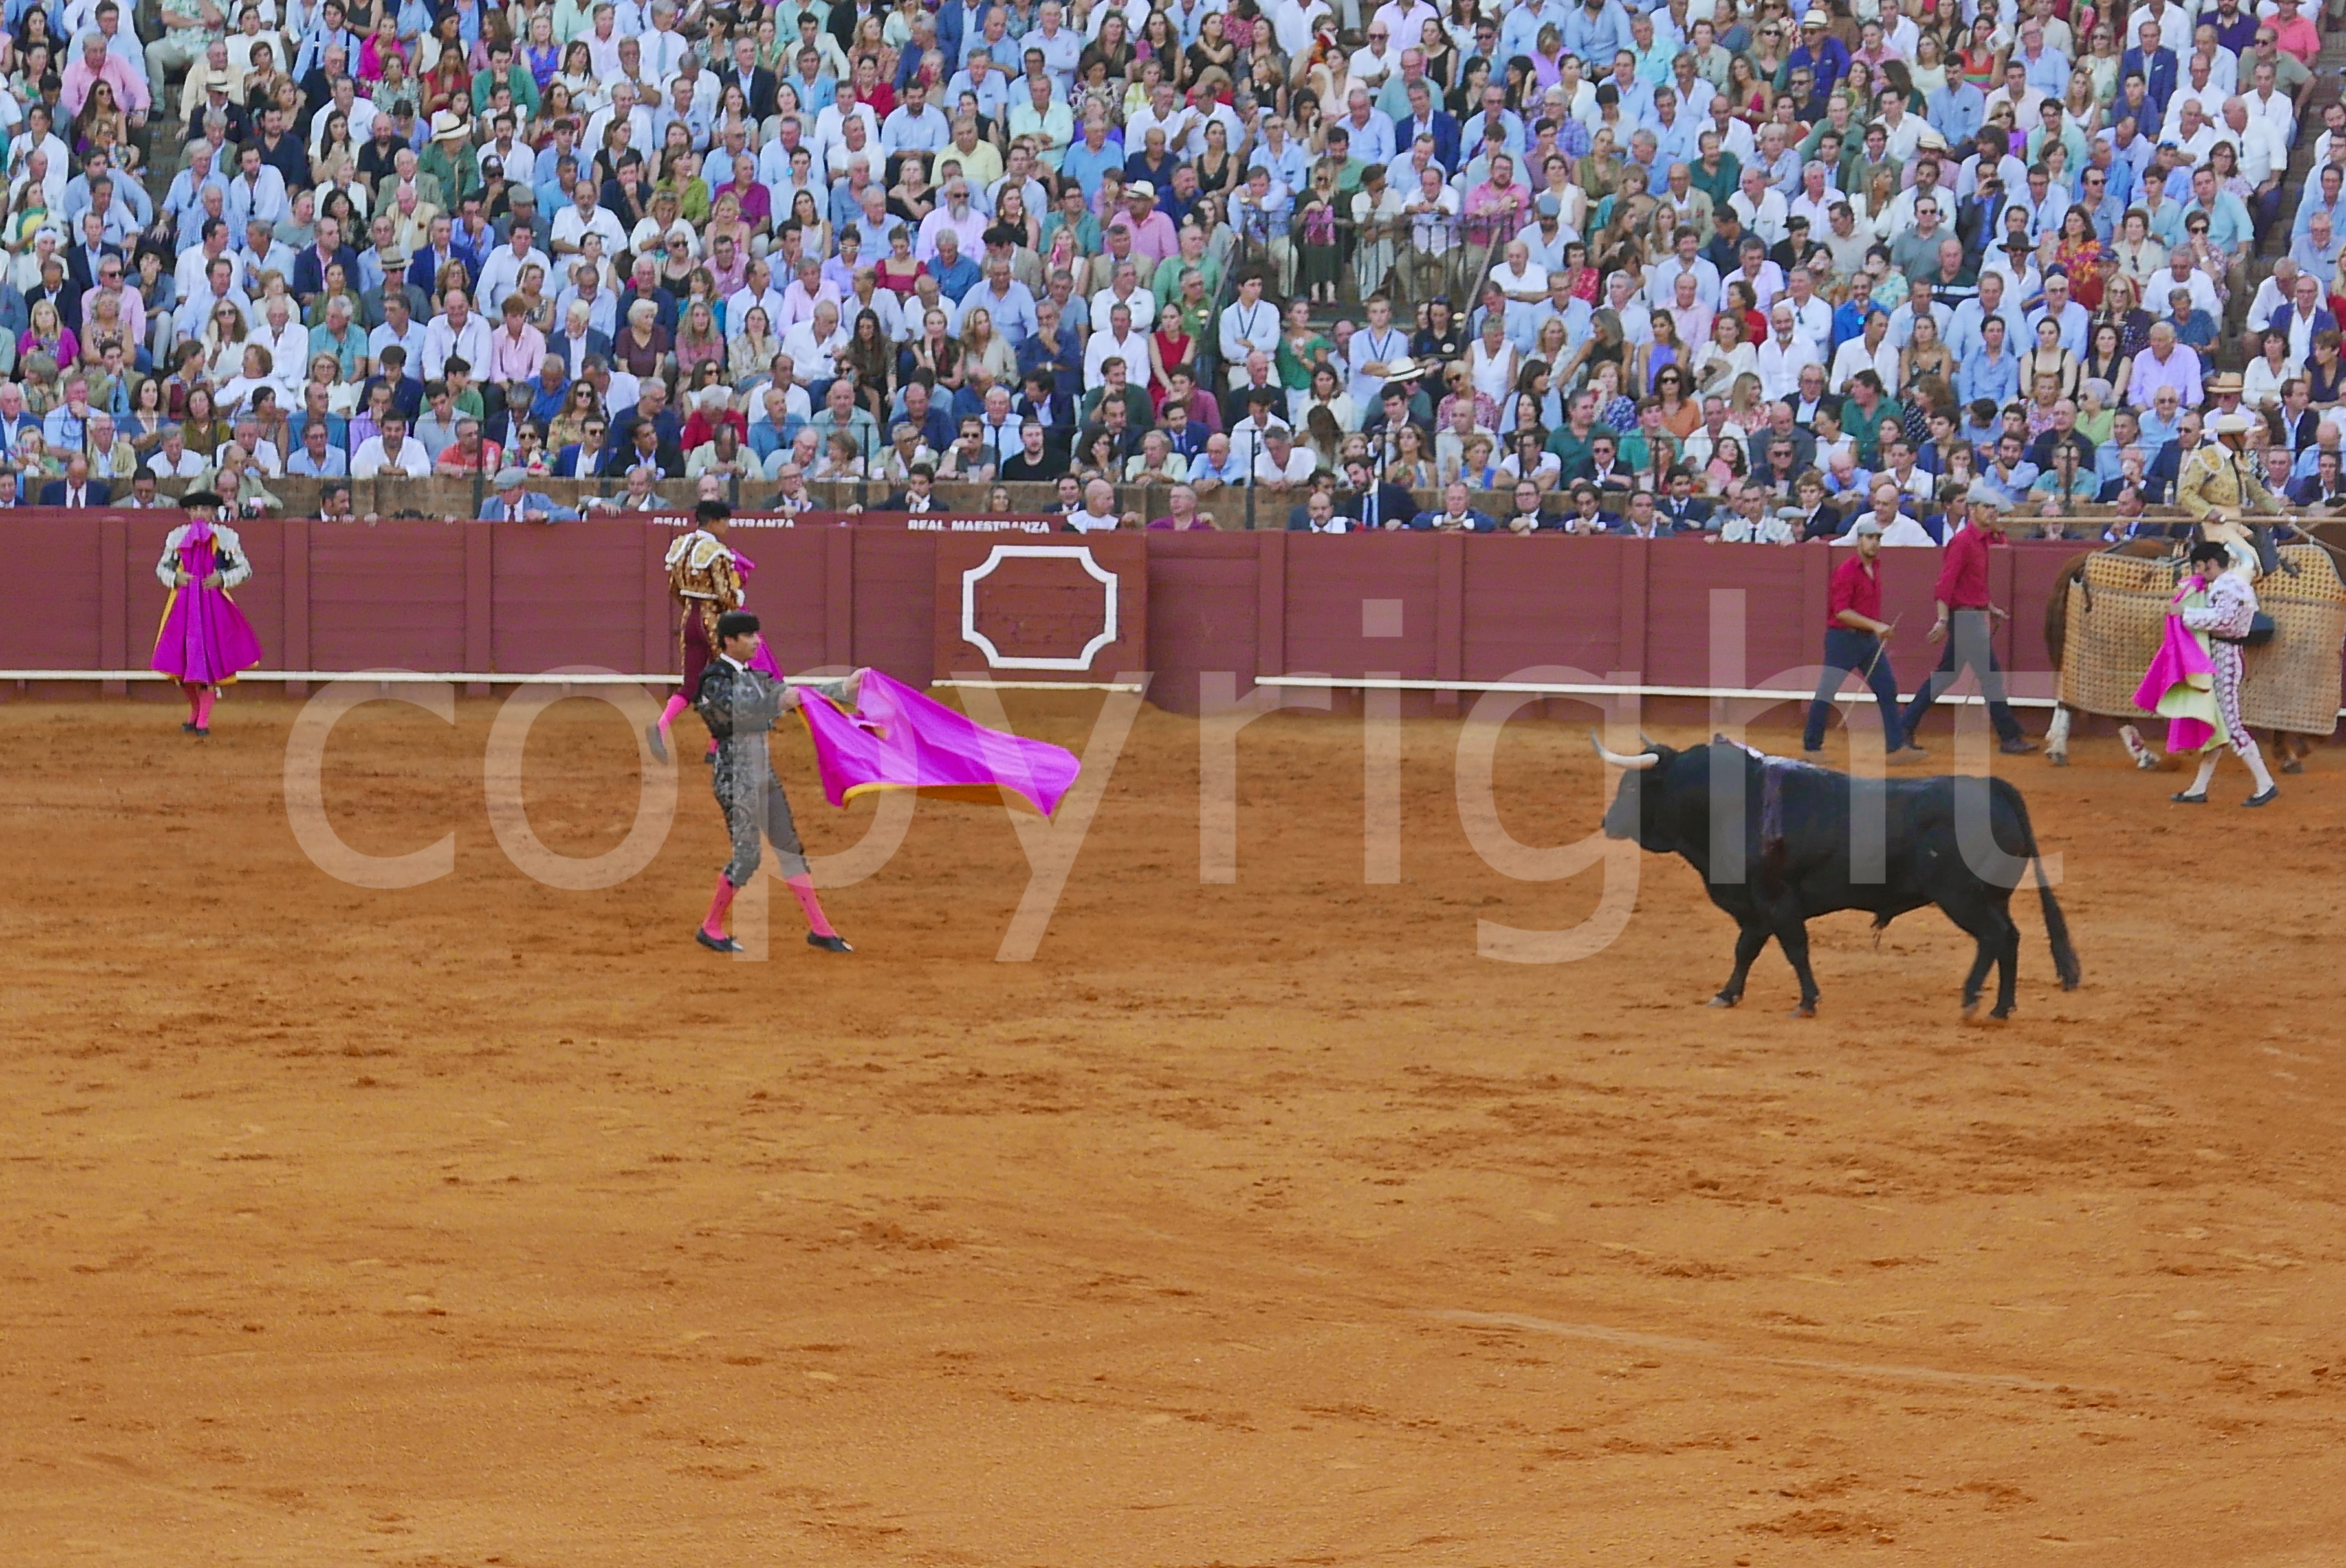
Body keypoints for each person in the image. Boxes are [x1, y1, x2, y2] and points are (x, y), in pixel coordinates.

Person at [692, 610, 861, 955]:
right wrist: (778, 700)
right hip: (734, 777)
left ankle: (821, 929)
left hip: (763, 773)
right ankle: (710, 927)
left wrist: (846, 687)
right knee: (748, 857)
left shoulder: (757, 677)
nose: (757, 641)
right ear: (730, 640)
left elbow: (795, 695)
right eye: (750, 636)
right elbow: (740, 712)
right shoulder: (713, 681)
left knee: (789, 849)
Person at [2138, 541, 2282, 806]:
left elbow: (2223, 619)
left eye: (2199, 567)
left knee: (2230, 724)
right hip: (2221, 655)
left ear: (2211, 564)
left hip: (2226, 657)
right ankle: (2198, 789)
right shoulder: (2230, 583)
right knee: (2219, 725)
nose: (2199, 572)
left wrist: (2186, 613)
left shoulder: (2229, 586)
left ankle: (2266, 783)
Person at [1898, 485, 2037, 754]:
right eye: (1987, 508)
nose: (1993, 513)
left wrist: (1990, 608)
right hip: (1964, 619)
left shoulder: (1981, 540)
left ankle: (1904, 727)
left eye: (1994, 508)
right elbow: (1945, 584)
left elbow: (1971, 584)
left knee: (1945, 676)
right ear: (1972, 510)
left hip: (1971, 615)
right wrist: (1941, 620)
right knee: (1991, 677)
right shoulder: (1963, 541)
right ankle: (2009, 737)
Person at [1802, 517, 1919, 757]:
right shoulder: (1846, 571)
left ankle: (1896, 747)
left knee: (1887, 689)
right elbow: (1842, 612)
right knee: (1827, 692)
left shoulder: (1875, 568)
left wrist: (1875, 629)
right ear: (1859, 540)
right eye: (1870, 538)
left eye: (1878, 539)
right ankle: (1812, 748)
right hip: (1843, 640)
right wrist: (1876, 626)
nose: (1874, 543)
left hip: (1867, 641)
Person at [149, 491, 261, 737]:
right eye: (195, 509)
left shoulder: (227, 538)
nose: (200, 514)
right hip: (183, 605)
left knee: (208, 660)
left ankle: (203, 720)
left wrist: (222, 578)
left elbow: (245, 569)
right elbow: (161, 568)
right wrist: (175, 578)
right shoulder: (176, 537)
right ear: (189, 513)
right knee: (182, 662)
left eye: (205, 509)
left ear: (214, 513)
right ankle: (196, 711)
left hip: (213, 606)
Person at [478, 466, 583, 522]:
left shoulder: (538, 501)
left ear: (522, 489)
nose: (505, 495)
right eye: (502, 491)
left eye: (510, 490)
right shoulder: (490, 505)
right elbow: (479, 532)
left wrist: (544, 515)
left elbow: (572, 516)